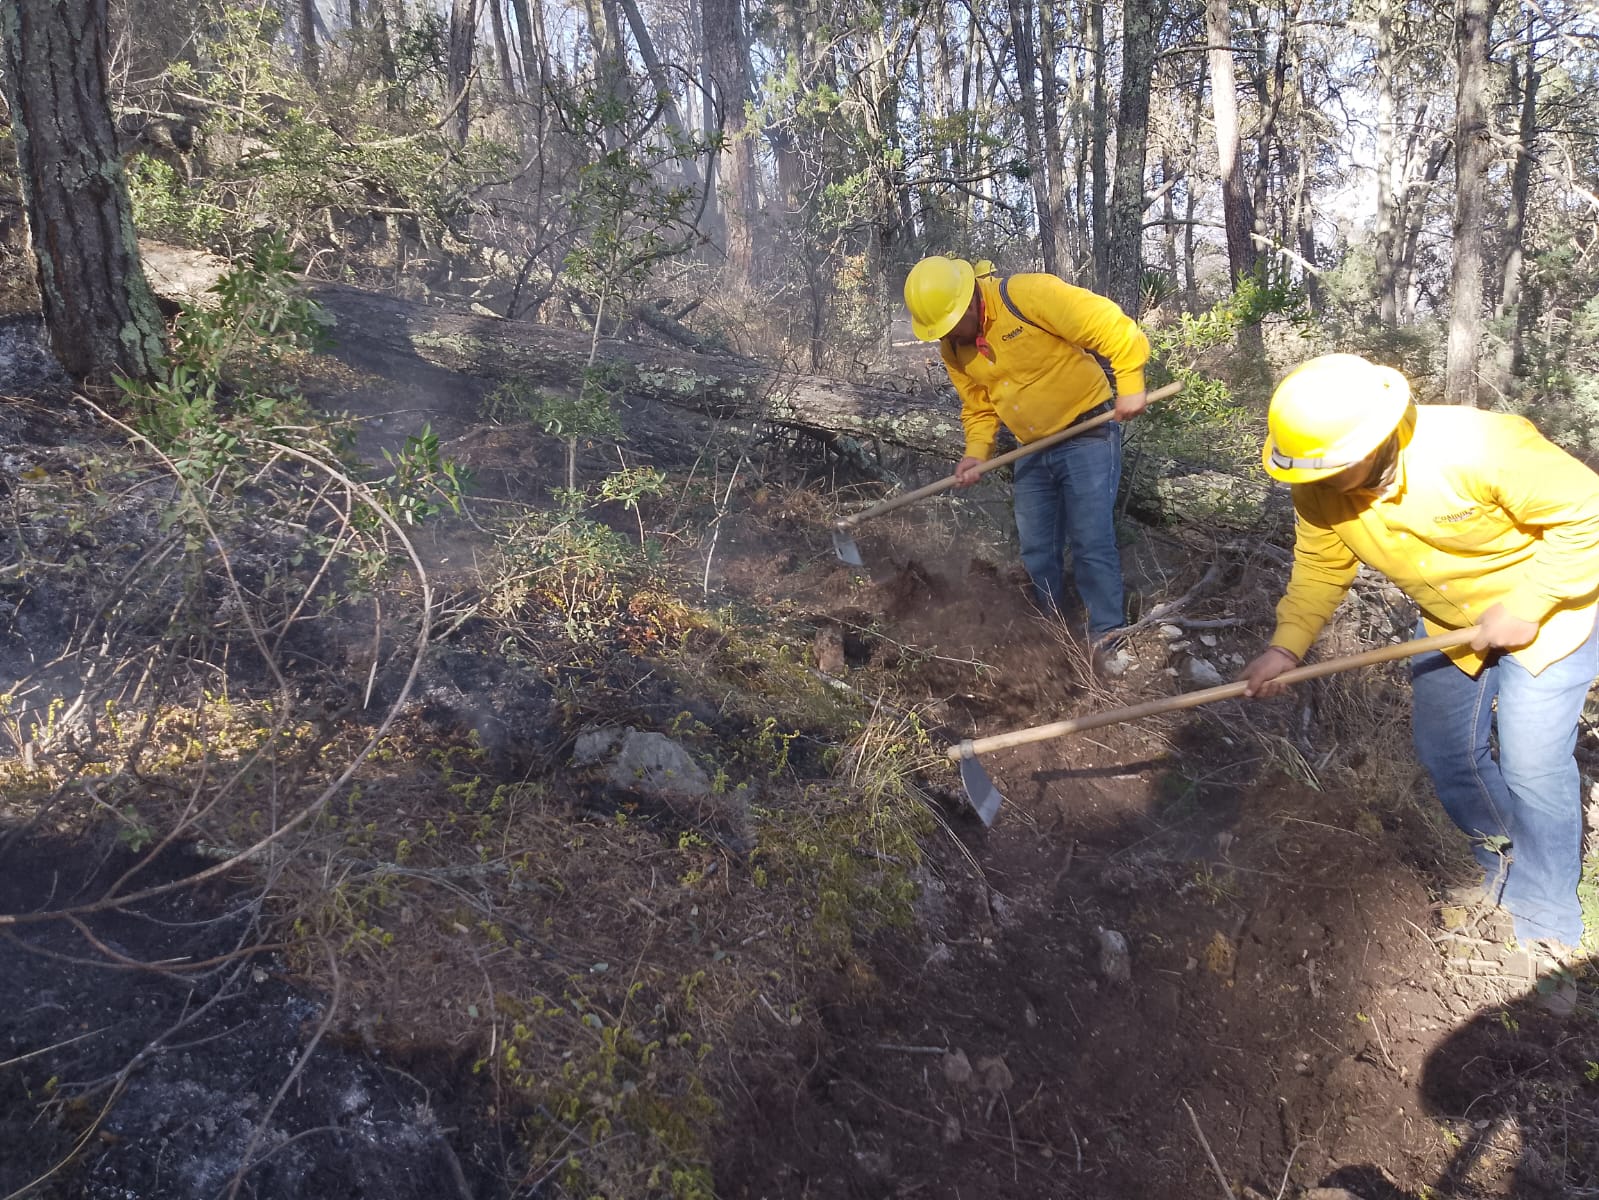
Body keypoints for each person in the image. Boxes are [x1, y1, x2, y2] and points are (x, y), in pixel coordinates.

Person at [1240, 353, 1599, 952]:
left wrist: (1529, 602)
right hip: (1449, 623)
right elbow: (1319, 569)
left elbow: (1589, 512)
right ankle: (1500, 855)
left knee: (1532, 761)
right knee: (1445, 751)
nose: (1316, 485)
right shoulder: (1317, 490)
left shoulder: (1479, 446)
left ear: (1373, 445)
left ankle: (1548, 925)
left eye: (1329, 470)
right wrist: (1286, 648)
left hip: (1553, 614)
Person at [903, 255, 1151, 671]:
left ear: (967, 303)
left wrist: (1130, 382)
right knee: (1037, 550)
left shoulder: (1024, 295)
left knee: (1090, 541)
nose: (946, 337)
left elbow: (1106, 322)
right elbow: (979, 408)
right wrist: (975, 454)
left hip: (1086, 431)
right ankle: (1054, 634)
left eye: (950, 326)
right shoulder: (953, 347)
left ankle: (1108, 638)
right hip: (1031, 448)